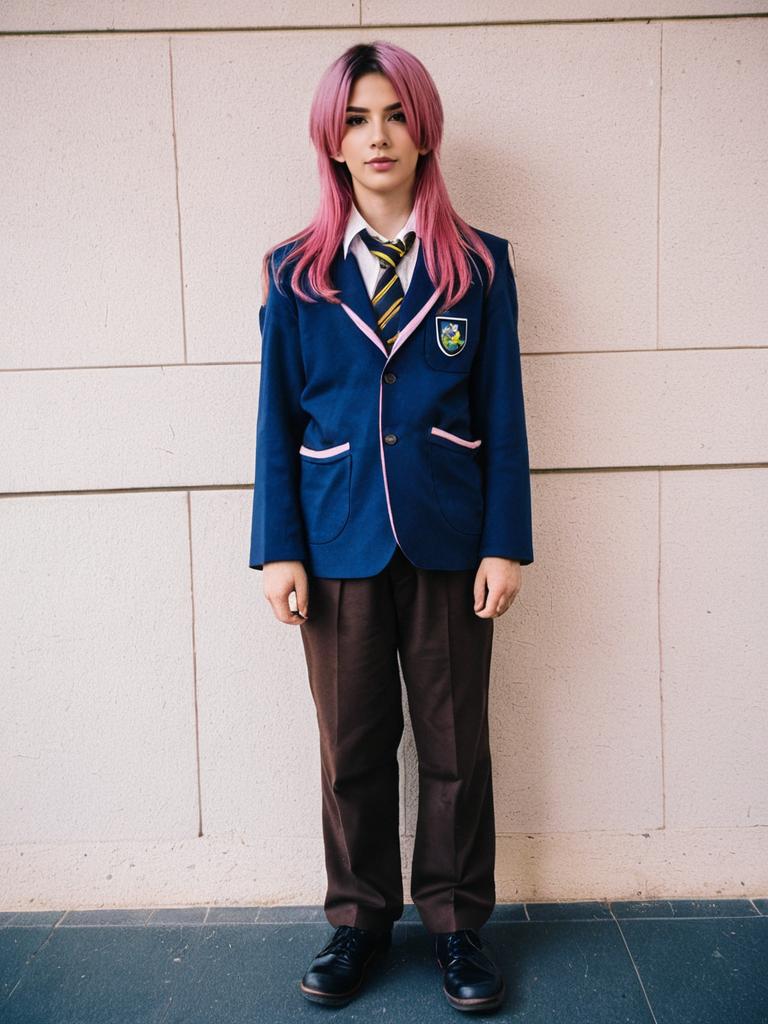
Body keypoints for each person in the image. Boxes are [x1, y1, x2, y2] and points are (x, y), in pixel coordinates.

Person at [249, 40, 533, 1014]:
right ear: (333, 138)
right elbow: (276, 424)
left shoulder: (479, 267)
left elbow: (506, 413)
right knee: (353, 744)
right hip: (334, 544)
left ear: (424, 129)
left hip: (453, 544)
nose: (379, 136)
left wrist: (506, 539)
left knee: (457, 744)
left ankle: (456, 925)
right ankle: (357, 921)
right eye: (359, 118)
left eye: (397, 115)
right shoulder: (295, 274)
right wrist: (277, 546)